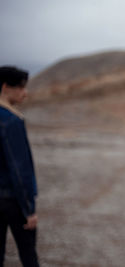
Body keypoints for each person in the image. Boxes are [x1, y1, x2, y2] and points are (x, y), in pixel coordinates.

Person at [0, 66, 39, 267]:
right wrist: (29, 209)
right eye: (21, 88)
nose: (25, 93)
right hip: (12, 201)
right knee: (28, 256)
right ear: (5, 87)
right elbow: (19, 169)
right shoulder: (11, 121)